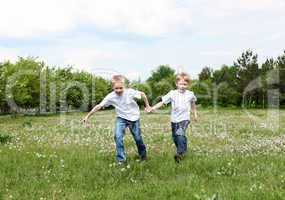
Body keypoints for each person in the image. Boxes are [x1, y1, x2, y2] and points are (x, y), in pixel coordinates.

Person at [82, 75, 151, 164]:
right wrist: (87, 116)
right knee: (117, 136)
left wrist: (147, 105)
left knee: (138, 138)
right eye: (116, 88)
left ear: (124, 86)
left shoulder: (130, 92)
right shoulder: (110, 96)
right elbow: (99, 106)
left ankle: (143, 156)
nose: (118, 90)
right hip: (121, 118)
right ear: (113, 87)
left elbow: (143, 94)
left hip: (134, 117)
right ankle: (121, 160)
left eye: (120, 88)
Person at [146, 72, 198, 163]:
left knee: (180, 134)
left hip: (185, 119)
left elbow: (193, 105)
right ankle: (183, 149)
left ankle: (180, 154)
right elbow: (162, 103)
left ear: (188, 85)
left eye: (185, 84)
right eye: (181, 84)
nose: (182, 86)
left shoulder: (190, 94)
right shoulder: (172, 93)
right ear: (176, 84)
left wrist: (195, 115)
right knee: (175, 137)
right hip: (174, 120)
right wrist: (152, 108)